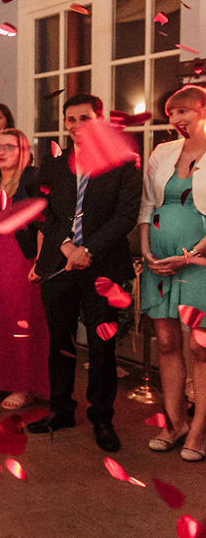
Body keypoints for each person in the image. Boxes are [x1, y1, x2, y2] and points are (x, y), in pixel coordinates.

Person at [27, 93, 141, 453]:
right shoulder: (57, 165)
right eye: (71, 120)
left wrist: (87, 250)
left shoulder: (123, 163)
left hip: (102, 264)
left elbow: (125, 216)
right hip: (59, 265)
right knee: (60, 342)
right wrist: (66, 248)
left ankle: (102, 418)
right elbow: (46, 210)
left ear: (100, 119)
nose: (77, 127)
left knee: (101, 344)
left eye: (85, 118)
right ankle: (61, 410)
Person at [138, 85, 206, 461]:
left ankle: (199, 431)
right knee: (166, 343)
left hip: (198, 262)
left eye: (184, 111)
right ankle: (175, 423)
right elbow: (148, 205)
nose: (177, 120)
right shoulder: (162, 153)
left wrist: (190, 254)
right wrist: (146, 250)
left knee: (200, 346)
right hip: (159, 262)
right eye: (171, 114)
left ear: (202, 109)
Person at [0, 129, 49, 409]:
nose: (1, 152)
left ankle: (22, 386)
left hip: (22, 258)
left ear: (23, 151)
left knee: (19, 319)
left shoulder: (31, 179)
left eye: (9, 147)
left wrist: (41, 260)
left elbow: (44, 222)